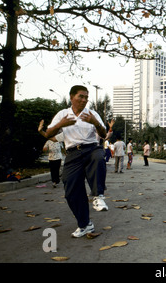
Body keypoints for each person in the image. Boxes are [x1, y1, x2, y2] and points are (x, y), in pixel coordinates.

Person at [45, 85, 108, 238]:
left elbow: (104, 134)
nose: (84, 100)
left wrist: (95, 122)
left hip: (92, 148)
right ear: (72, 97)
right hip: (73, 153)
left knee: (99, 158)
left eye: (86, 97)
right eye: (81, 96)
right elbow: (48, 133)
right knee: (71, 191)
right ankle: (85, 225)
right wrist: (61, 125)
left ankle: (98, 196)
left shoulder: (92, 114)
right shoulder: (63, 114)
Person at [38, 120, 64, 187]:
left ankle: (56, 180)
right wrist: (45, 149)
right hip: (51, 157)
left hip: (58, 157)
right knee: (52, 170)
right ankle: (54, 181)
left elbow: (63, 148)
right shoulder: (48, 141)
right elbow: (44, 148)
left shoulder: (59, 141)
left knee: (56, 169)